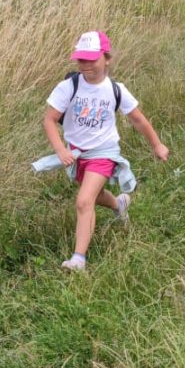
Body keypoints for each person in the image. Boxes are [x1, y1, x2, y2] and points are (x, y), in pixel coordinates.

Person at [43, 30, 169, 271]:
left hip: (104, 152)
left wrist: (157, 145)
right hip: (76, 154)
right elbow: (49, 119)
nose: (86, 65)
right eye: (81, 59)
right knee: (96, 196)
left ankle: (78, 259)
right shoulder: (68, 87)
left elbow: (138, 119)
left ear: (107, 58)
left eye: (92, 59)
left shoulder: (115, 89)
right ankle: (119, 204)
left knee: (84, 201)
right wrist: (60, 150)